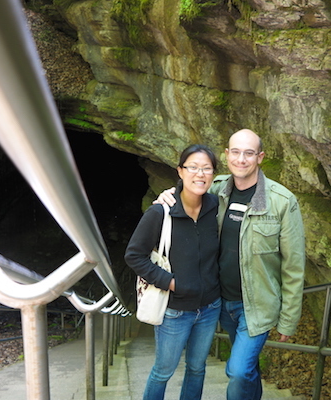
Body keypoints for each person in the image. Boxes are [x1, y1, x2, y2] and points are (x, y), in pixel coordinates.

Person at [157, 129, 306, 400]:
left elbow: (294, 266)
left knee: (237, 370)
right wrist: (168, 194)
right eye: (235, 152)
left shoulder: (282, 202)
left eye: (249, 153)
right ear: (226, 155)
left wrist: (288, 319)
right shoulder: (216, 189)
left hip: (257, 306)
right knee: (247, 367)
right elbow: (190, 184)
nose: (241, 159)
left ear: (260, 157)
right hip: (221, 303)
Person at [125, 144, 222, 400]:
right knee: (163, 371)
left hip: (210, 307)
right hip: (175, 311)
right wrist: (170, 282)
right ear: (180, 171)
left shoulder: (215, 206)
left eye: (207, 169)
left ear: (213, 175)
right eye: (193, 168)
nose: (200, 174)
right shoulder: (161, 211)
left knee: (197, 368)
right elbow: (134, 255)